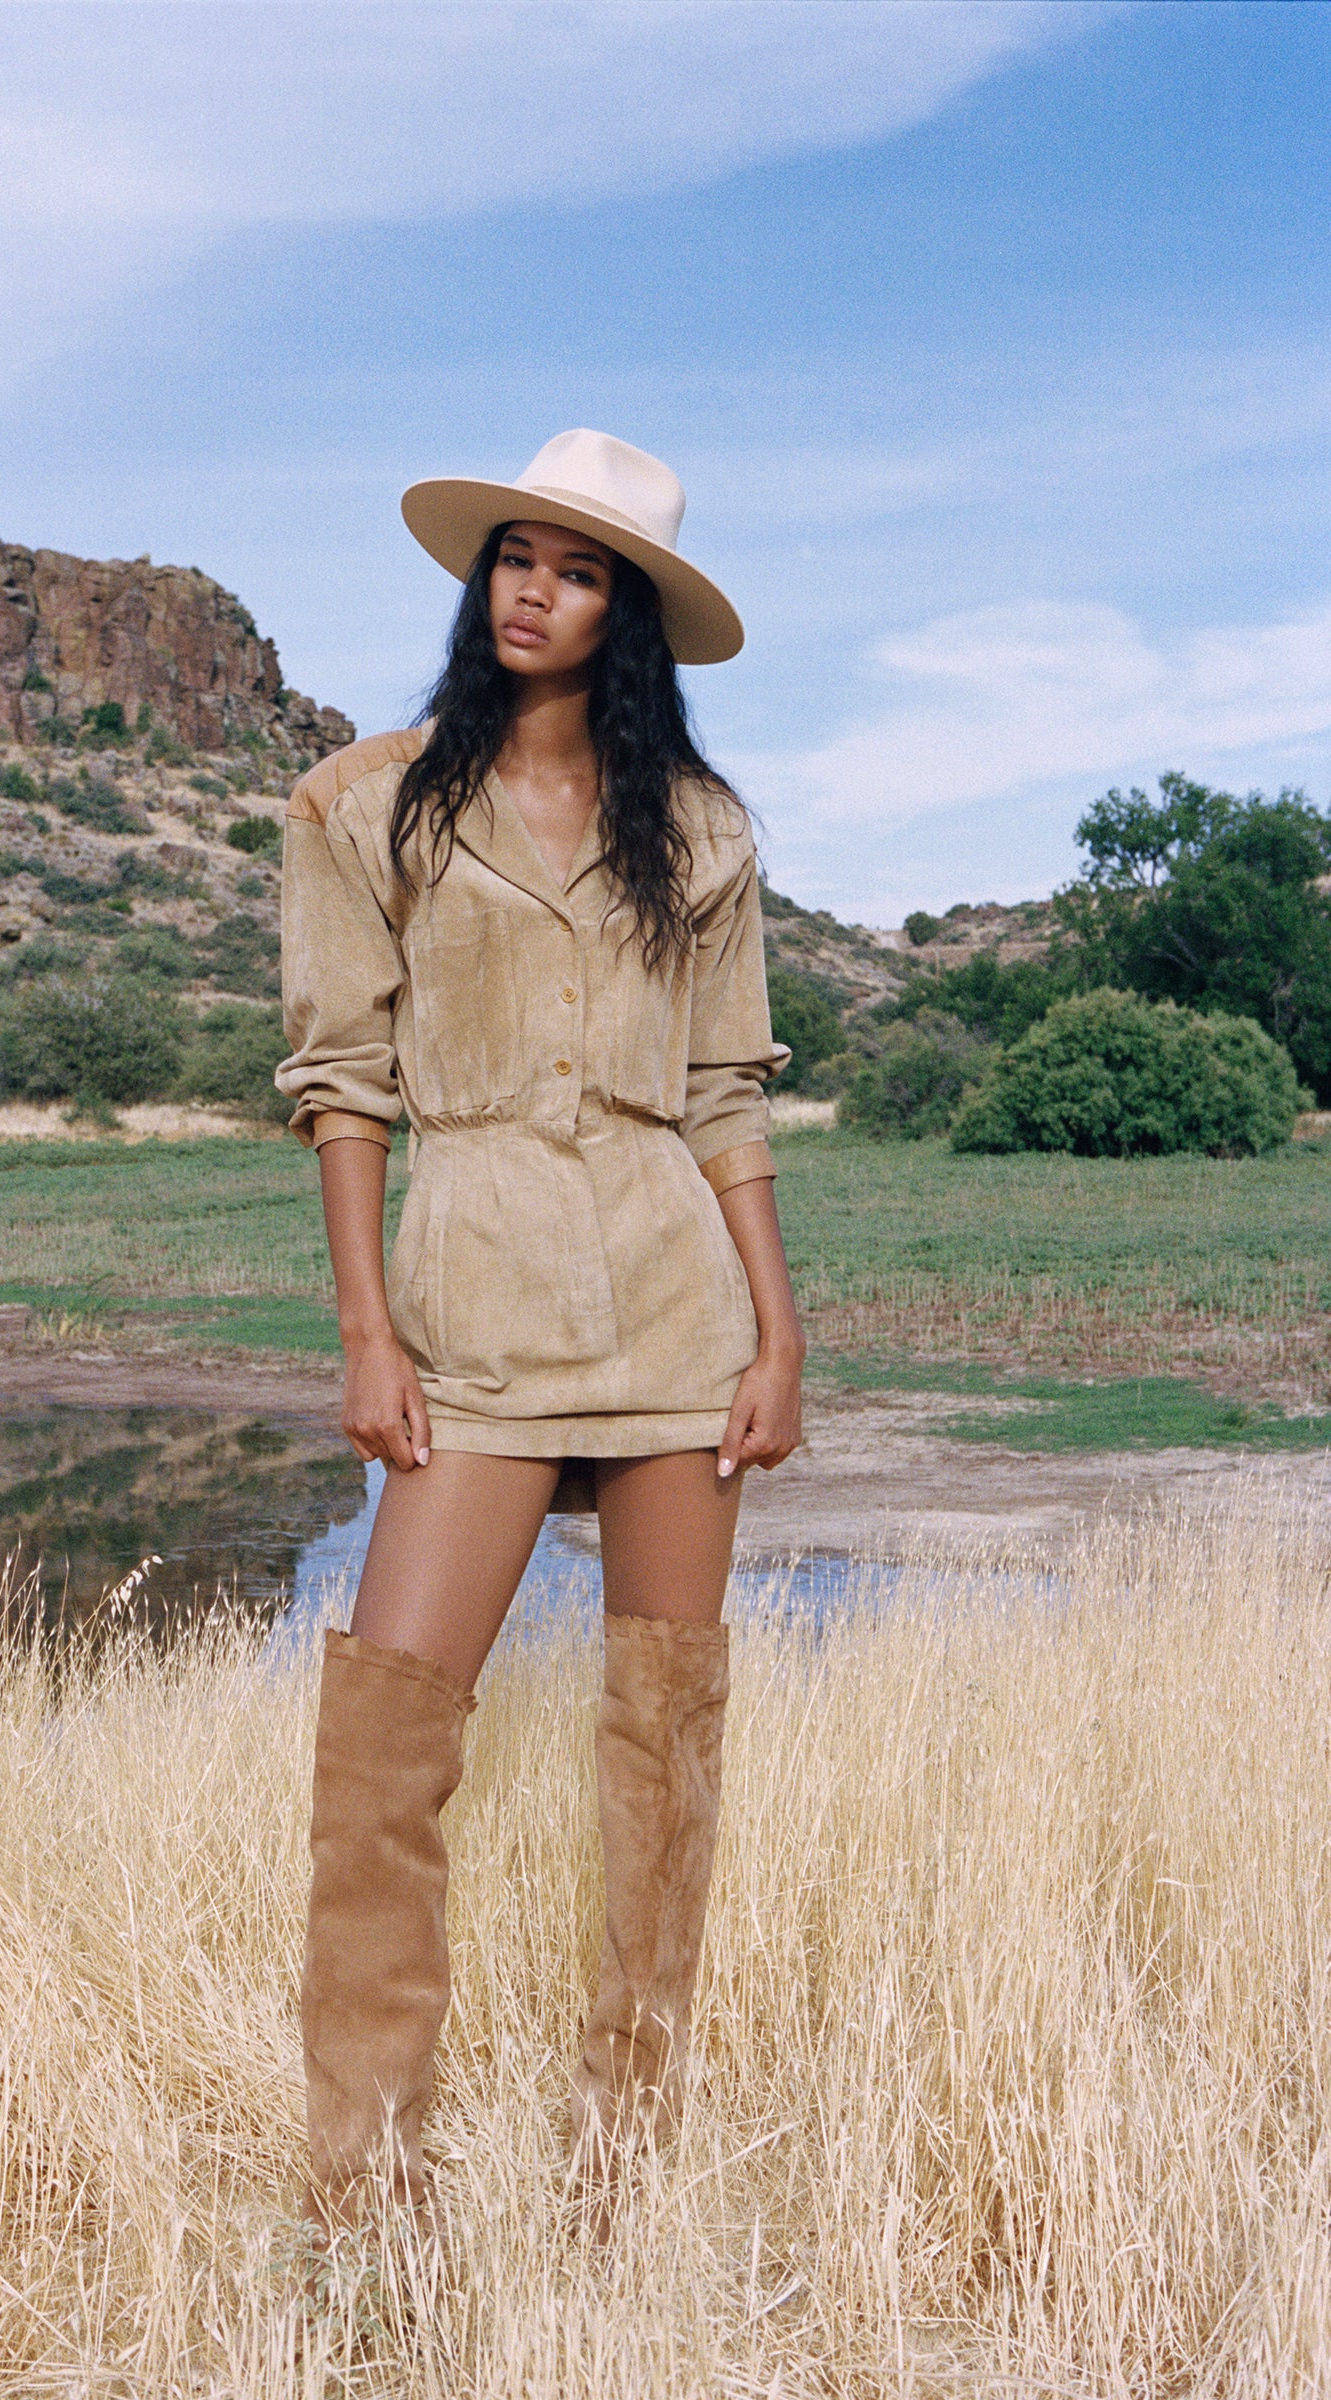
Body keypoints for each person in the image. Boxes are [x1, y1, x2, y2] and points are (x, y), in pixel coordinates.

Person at [276, 428, 805, 2230]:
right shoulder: (367, 801)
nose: (532, 589)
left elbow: (728, 1096)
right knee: (382, 1755)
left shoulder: (711, 832)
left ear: (626, 613)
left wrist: (780, 1342)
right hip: (474, 1309)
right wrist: (366, 1331)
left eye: (576, 571)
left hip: (677, 1307)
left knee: (665, 1754)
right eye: (513, 555)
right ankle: (369, 2189)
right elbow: (343, 1085)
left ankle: (622, 2159)